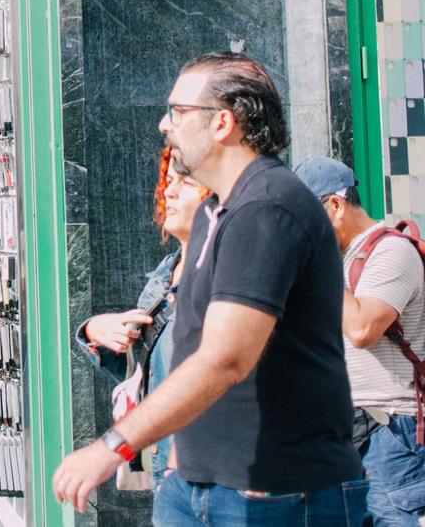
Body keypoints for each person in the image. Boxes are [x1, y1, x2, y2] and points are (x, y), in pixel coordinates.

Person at [52, 52, 368, 522]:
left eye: (178, 112)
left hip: (275, 496)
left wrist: (112, 446)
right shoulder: (212, 213)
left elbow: (225, 357)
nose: (164, 124)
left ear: (223, 123)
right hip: (193, 487)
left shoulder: (267, 209)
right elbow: (189, 347)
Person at [297, 154, 425, 526]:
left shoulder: (391, 250)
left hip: (390, 436)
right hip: (338, 434)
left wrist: (314, 263)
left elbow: (363, 329)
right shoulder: (337, 262)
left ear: (335, 205)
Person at [73, 150, 209, 484]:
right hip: (166, 462)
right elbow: (146, 376)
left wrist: (111, 448)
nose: (170, 191)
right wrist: (96, 331)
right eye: (169, 181)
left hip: (207, 468)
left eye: (185, 182)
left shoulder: (221, 274)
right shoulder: (166, 272)